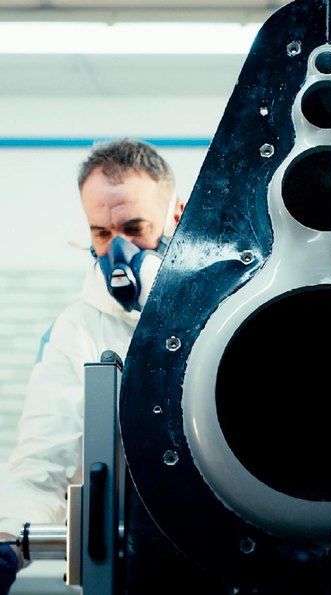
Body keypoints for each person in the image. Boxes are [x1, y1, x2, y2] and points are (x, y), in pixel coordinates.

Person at [0, 138, 184, 593]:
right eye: (101, 233)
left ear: (176, 216)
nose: (118, 252)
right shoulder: (76, 329)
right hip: (128, 569)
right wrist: (7, 539)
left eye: (135, 228)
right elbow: (43, 461)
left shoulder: (229, 312)